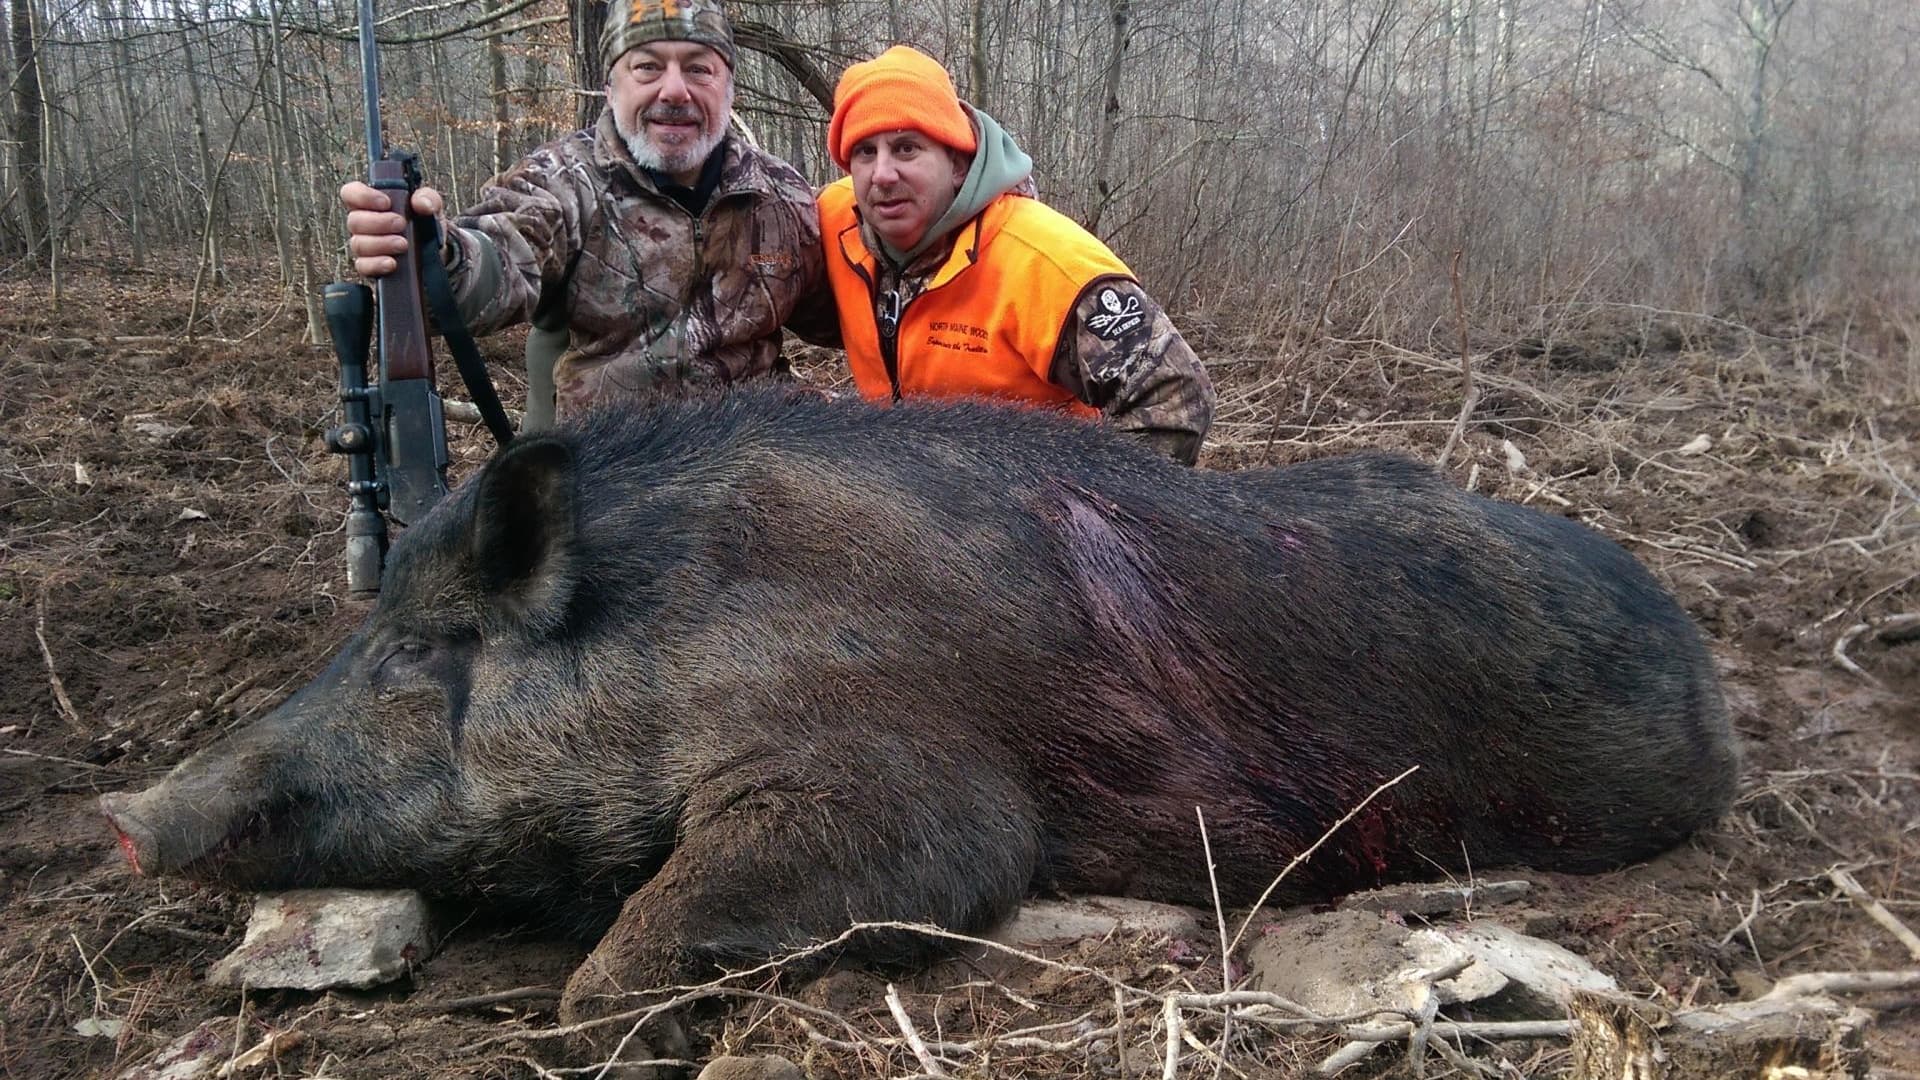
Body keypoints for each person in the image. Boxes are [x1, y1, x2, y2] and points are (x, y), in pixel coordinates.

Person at [340, 0, 824, 424]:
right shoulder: (564, 181)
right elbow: (496, 259)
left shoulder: (782, 196)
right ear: (612, 88)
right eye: (647, 67)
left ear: (729, 90)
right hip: (605, 475)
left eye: (699, 68)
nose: (675, 91)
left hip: (754, 465)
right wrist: (430, 251)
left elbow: (845, 306)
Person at [808, 45, 1215, 465]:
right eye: (865, 152)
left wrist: (1074, 512)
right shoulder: (831, 223)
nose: (883, 174)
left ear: (957, 163)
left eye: (907, 148)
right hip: (905, 494)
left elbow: (1175, 397)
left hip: (1029, 509)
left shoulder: (1044, 264)